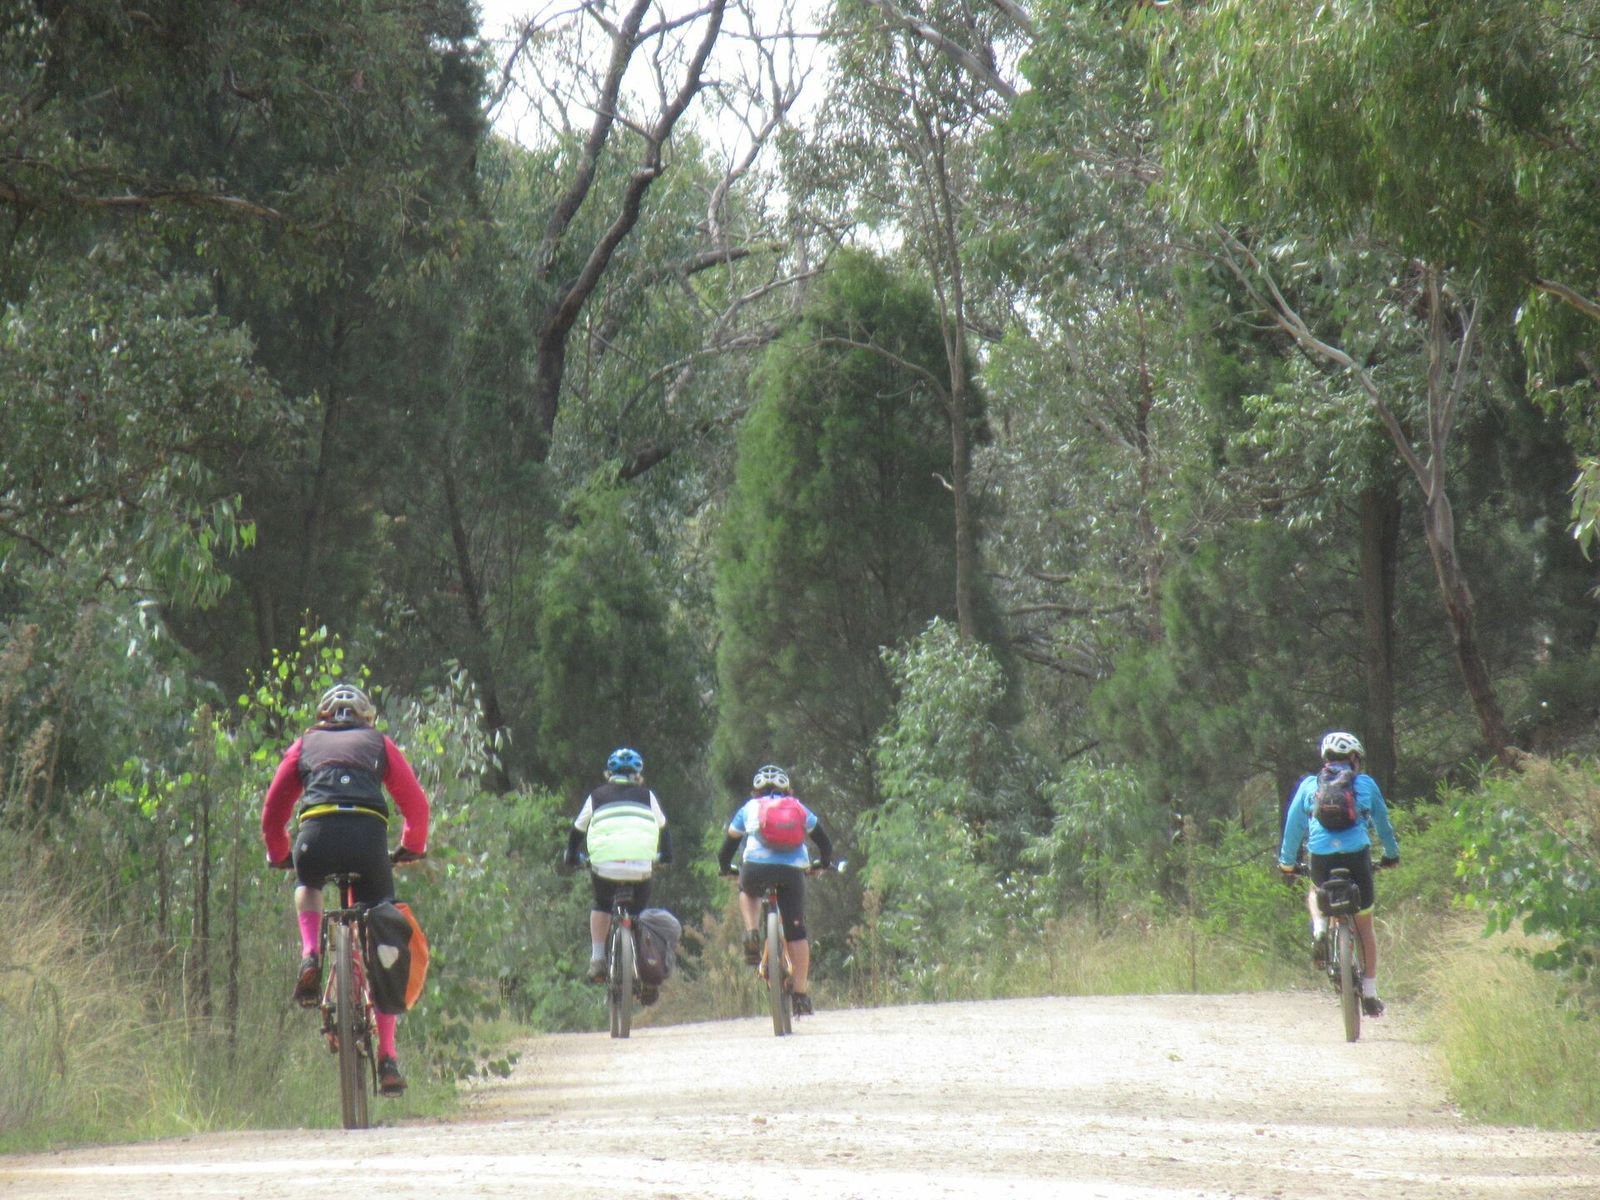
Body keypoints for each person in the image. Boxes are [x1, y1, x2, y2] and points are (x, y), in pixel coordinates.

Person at [261, 682, 430, 1096]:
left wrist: (280, 853)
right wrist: (411, 846)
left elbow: (273, 811)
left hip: (315, 837)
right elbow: (417, 806)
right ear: (366, 718)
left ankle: (310, 954)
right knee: (382, 930)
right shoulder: (378, 743)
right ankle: (387, 1057)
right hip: (367, 841)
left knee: (308, 884)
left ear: (323, 718)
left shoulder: (305, 744)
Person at [1278, 731, 1400, 1017]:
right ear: (1354, 759)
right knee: (1364, 927)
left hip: (1321, 856)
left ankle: (1320, 928)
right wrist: (1391, 855)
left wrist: (1287, 862)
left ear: (1326, 759)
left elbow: (1293, 827)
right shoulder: (1365, 784)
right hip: (1357, 856)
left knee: (1315, 889)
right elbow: (1383, 824)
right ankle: (1370, 993)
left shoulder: (1309, 785)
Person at [716, 765, 833, 1017]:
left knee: (748, 890)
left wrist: (726, 868)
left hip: (755, 869)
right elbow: (825, 843)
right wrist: (823, 864)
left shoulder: (749, 808)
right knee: (797, 933)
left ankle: (751, 932)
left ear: (755, 791)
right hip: (792, 873)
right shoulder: (798, 807)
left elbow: (727, 848)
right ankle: (800, 995)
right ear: (787, 789)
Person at [562, 748, 672, 989]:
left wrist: (572, 857)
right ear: (638, 776)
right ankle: (643, 961)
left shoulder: (596, 796)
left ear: (608, 774)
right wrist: (665, 857)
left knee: (602, 904)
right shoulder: (648, 796)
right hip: (641, 867)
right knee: (639, 912)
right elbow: (664, 830)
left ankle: (597, 959)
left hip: (605, 867)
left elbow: (577, 830)